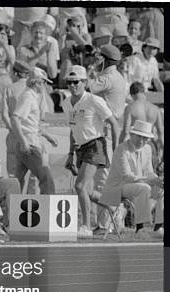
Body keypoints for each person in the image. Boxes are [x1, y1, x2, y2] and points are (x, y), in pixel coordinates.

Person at [61, 65, 120, 238]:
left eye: (76, 82)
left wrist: (115, 151)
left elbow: (114, 125)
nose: (72, 86)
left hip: (95, 145)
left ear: (85, 82)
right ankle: (112, 206)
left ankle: (86, 226)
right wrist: (70, 154)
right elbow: (73, 130)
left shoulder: (94, 100)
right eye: (69, 82)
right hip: (80, 148)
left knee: (79, 186)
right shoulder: (66, 102)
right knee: (85, 190)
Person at [87, 44, 128, 234]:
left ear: (104, 59)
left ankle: (105, 224)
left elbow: (85, 88)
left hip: (105, 131)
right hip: (110, 130)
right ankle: (108, 221)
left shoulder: (106, 77)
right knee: (104, 178)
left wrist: (92, 68)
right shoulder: (119, 76)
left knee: (102, 179)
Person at [100, 120, 163, 239]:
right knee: (143, 188)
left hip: (139, 185)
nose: (142, 141)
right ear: (132, 135)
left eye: (145, 138)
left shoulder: (148, 149)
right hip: (117, 187)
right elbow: (127, 176)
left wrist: (158, 180)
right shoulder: (121, 149)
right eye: (139, 137)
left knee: (162, 187)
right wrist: (151, 181)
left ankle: (158, 227)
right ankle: (141, 228)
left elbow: (149, 172)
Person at [9, 67, 57, 195]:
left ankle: (8, 209)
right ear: (37, 83)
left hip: (26, 141)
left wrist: (46, 135)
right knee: (47, 179)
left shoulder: (30, 96)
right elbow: (15, 119)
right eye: (44, 82)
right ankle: (49, 212)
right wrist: (24, 141)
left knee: (17, 181)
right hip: (29, 144)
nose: (45, 86)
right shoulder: (28, 97)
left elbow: (28, 123)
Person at [120, 81, 164, 173]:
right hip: (150, 145)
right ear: (144, 92)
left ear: (131, 94)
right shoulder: (155, 109)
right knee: (151, 176)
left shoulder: (130, 107)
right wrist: (161, 154)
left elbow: (125, 131)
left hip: (135, 145)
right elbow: (161, 134)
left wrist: (119, 148)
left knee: (135, 178)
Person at [0, 60, 32, 186]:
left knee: (14, 176)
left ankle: (13, 204)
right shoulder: (34, 89)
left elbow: (4, 114)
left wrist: (14, 130)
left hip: (14, 135)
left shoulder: (9, 89)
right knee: (33, 175)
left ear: (15, 73)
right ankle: (35, 203)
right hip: (31, 134)